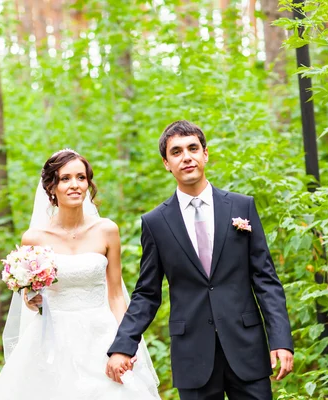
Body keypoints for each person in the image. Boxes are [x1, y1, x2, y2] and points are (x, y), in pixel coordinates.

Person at [106, 121, 294, 399]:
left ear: (205, 154)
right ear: (166, 163)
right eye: (177, 152)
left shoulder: (242, 206)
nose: (187, 157)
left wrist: (281, 340)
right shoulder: (156, 222)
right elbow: (147, 293)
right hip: (192, 354)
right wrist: (123, 345)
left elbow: (266, 280)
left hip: (247, 348)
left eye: (193, 148)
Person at [0, 149, 160, 400]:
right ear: (51, 187)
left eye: (81, 177)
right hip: (52, 339)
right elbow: (30, 298)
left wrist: (126, 341)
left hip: (101, 334)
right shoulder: (34, 238)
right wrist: (32, 300)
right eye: (65, 178)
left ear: (88, 183)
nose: (74, 185)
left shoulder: (107, 230)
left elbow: (116, 296)